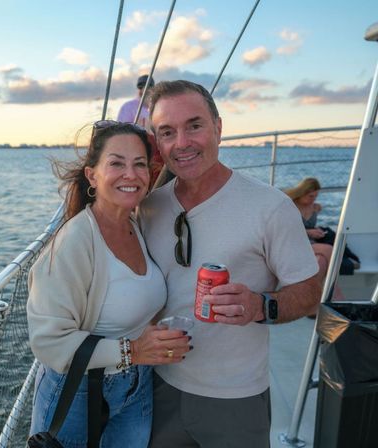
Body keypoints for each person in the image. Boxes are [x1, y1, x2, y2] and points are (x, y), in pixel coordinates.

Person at [138, 80, 322, 448]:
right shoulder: (149, 207)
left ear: (218, 128)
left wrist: (261, 305)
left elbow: (310, 293)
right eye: (167, 132)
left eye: (194, 125)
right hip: (158, 386)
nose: (182, 143)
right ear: (157, 142)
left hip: (236, 397)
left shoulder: (269, 207)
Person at [27, 120, 191, 448]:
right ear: (92, 175)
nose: (130, 174)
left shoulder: (136, 224)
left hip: (136, 383)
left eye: (139, 164)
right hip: (79, 391)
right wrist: (133, 350)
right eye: (116, 163)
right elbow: (49, 343)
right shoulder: (73, 242)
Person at [285, 177, 347, 300]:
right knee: (329, 250)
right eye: (311, 196)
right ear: (302, 193)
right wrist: (309, 232)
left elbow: (310, 226)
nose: (313, 199)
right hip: (293, 243)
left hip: (310, 244)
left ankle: (312, 301)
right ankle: (337, 295)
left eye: (315, 196)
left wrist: (317, 231)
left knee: (321, 261)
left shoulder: (315, 207)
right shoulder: (289, 205)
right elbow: (285, 229)